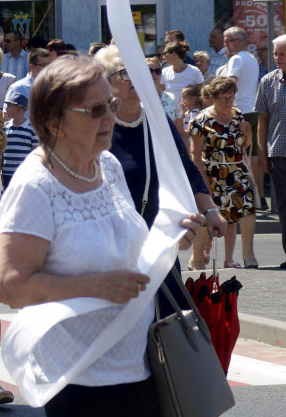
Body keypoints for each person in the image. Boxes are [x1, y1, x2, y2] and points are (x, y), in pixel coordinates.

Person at [0, 55, 205, 417]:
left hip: (137, 364)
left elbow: (128, 243)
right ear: (54, 121)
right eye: (95, 110)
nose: (110, 116)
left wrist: (170, 240)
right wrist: (96, 286)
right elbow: (11, 287)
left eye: (109, 104)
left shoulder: (106, 165)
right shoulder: (34, 187)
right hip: (79, 376)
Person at [94, 46, 224, 277]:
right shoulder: (96, 125)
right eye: (126, 72)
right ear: (107, 82)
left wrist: (211, 210)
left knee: (165, 310)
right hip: (109, 248)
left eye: (139, 71)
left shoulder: (157, 120)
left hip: (157, 243)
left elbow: (185, 167)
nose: (136, 77)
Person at [190, 76, 257, 269]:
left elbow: (245, 145)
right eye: (223, 98)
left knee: (236, 213)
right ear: (212, 97)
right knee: (206, 217)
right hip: (211, 174)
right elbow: (195, 155)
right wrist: (203, 184)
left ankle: (232, 258)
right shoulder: (202, 119)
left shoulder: (237, 115)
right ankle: (197, 258)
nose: (228, 102)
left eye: (231, 97)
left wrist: (248, 133)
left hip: (236, 173)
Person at [218, 26, 263, 208]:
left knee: (236, 155)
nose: (225, 45)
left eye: (227, 40)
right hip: (252, 110)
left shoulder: (236, 59)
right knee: (252, 155)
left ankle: (241, 194)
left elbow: (230, 83)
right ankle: (259, 195)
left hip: (238, 111)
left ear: (238, 41)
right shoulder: (252, 58)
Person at [256, 34, 286, 269]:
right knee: (284, 208)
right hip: (279, 154)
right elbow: (262, 121)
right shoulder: (267, 81)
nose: (277, 58)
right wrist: (263, 156)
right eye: (275, 53)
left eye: (282, 54)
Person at [0, 90, 37, 188]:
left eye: (10, 106)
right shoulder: (5, 127)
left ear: (20, 109)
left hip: (23, 174)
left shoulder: (31, 129)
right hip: (7, 173)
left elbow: (35, 152)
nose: (6, 109)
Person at [160, 41, 203, 108]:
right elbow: (161, 93)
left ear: (173, 54)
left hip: (189, 114)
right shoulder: (164, 72)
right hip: (171, 114)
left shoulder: (195, 71)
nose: (163, 57)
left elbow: (201, 93)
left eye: (165, 54)